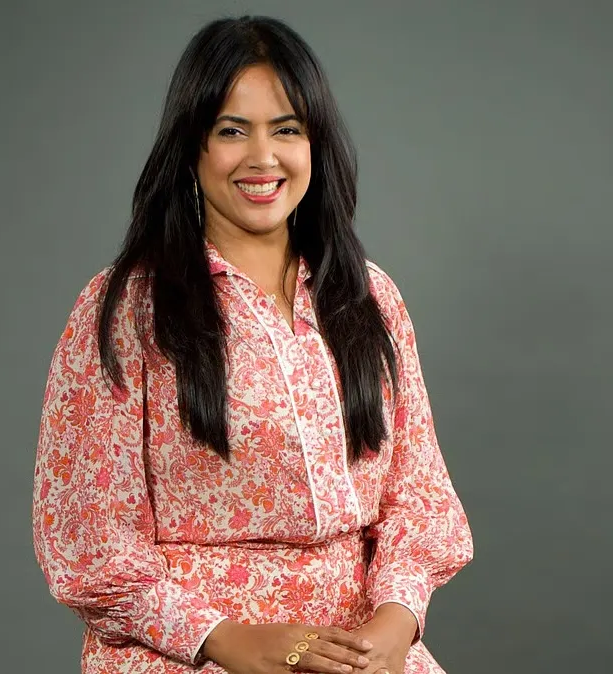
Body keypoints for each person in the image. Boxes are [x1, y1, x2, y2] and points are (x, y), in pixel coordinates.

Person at [31, 15, 473, 674]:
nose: (263, 158)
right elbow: (87, 537)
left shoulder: (369, 298)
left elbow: (420, 498)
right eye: (232, 131)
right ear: (192, 147)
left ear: (316, 144)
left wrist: (394, 624)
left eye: (287, 130)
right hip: (193, 648)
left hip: (359, 647)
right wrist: (227, 639)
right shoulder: (128, 307)